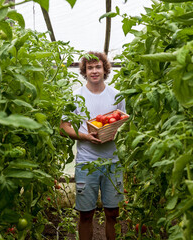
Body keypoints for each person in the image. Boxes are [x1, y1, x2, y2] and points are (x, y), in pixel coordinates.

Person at [60, 51, 125, 240]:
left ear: (105, 69)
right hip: (86, 162)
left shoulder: (117, 95)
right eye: (90, 68)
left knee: (113, 212)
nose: (94, 71)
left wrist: (115, 133)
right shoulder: (75, 96)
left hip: (113, 161)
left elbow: (122, 123)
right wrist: (85, 137)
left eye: (98, 67)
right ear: (84, 71)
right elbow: (64, 126)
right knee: (86, 214)